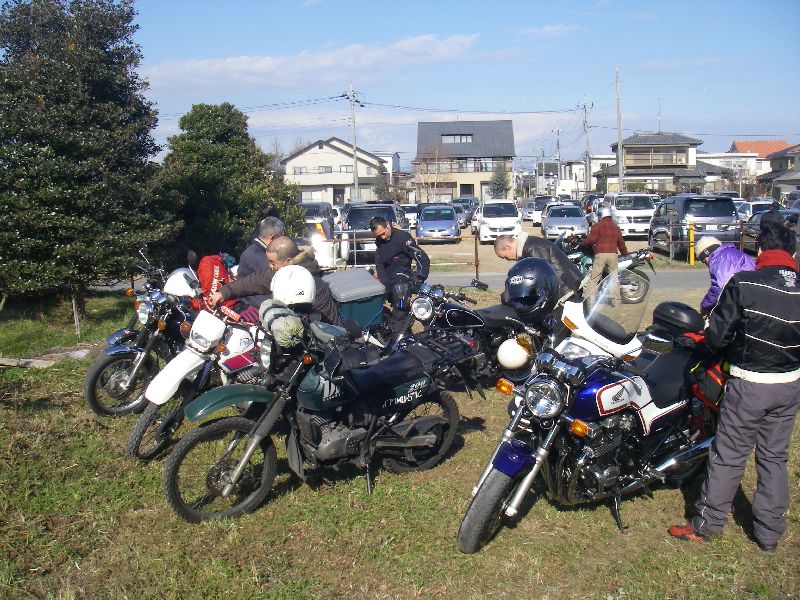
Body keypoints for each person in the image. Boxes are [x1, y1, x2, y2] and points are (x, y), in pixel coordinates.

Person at [669, 224, 800, 552]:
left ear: (760, 250)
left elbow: (716, 337)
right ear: (793, 252)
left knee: (728, 454)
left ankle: (708, 524)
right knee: (774, 457)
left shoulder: (744, 283)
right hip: (790, 385)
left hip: (749, 383)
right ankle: (769, 533)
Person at [209, 236, 342, 326]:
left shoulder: (307, 280)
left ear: (287, 261)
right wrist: (224, 292)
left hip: (324, 335)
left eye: (272, 262)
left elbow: (313, 321)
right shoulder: (284, 270)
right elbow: (256, 280)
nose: (270, 266)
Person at [370, 215, 430, 339]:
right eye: (379, 235)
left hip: (402, 283)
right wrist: (384, 284)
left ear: (388, 225)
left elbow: (422, 258)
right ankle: (405, 337)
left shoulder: (402, 238)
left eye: (383, 233)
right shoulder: (380, 242)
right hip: (388, 282)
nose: (382, 237)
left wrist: (420, 277)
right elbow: (379, 265)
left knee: (400, 312)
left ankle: (398, 341)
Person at [494, 233, 582, 299]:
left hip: (567, 290)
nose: (508, 259)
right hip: (565, 289)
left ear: (508, 246)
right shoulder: (528, 246)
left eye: (505, 257)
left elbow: (542, 279)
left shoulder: (532, 248)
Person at [695, 236, 755, 317]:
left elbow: (720, 287)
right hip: (753, 295)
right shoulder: (735, 253)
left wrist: (705, 306)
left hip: (743, 301)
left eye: (703, 261)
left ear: (705, 256)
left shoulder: (718, 260)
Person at [580, 206, 628, 301]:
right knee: (614, 278)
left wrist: (581, 244)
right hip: (613, 255)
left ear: (601, 215)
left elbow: (591, 239)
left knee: (594, 278)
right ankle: (615, 300)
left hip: (600, 254)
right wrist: (625, 253)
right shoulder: (616, 227)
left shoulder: (597, 226)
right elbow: (621, 242)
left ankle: (588, 298)